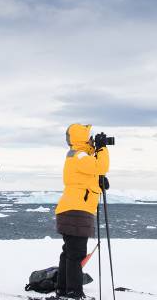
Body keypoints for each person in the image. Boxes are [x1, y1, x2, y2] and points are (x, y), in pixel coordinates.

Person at [53, 123, 111, 300]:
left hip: (73, 209)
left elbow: (88, 177)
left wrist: (99, 183)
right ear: (82, 138)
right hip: (76, 210)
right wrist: (102, 149)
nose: (92, 139)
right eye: (90, 136)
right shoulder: (78, 156)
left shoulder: (80, 156)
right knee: (76, 254)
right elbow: (101, 167)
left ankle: (64, 290)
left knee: (69, 253)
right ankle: (74, 293)